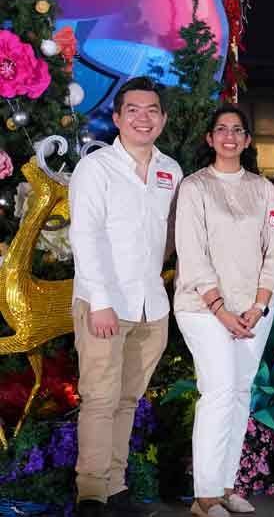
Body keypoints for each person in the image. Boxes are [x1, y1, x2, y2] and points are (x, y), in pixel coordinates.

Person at [69, 77, 183, 517]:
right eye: (133, 110)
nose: (143, 118)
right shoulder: (96, 169)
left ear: (163, 119)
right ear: (117, 118)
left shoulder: (170, 171)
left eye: (152, 110)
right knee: (100, 399)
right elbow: (85, 236)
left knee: (127, 400)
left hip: (151, 306)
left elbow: (169, 234)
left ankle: (115, 488)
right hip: (105, 303)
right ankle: (91, 495)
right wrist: (100, 301)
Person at [173, 105, 274, 516]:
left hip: (253, 310)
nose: (229, 136)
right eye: (221, 129)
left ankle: (225, 485)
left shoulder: (263, 188)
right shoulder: (194, 187)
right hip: (203, 309)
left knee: (239, 394)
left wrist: (259, 304)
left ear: (247, 140)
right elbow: (192, 254)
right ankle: (204, 496)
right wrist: (221, 310)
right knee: (219, 392)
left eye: (238, 130)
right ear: (210, 138)